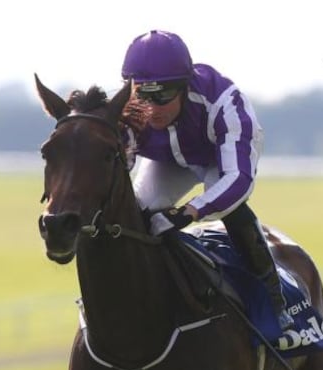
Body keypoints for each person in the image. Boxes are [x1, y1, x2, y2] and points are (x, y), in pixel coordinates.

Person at [118, 29, 293, 331]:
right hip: (168, 160)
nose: (153, 108)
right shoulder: (129, 109)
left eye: (162, 96)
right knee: (139, 213)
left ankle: (274, 301)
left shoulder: (226, 104)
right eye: (144, 96)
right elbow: (118, 166)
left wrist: (188, 212)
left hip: (220, 158)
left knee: (232, 210)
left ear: (185, 87)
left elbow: (237, 180)